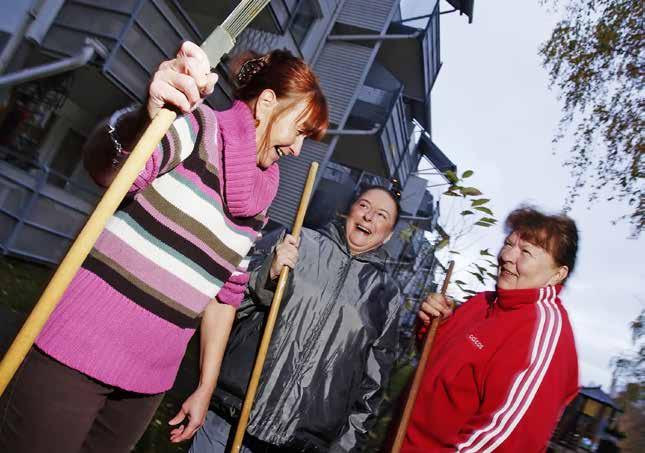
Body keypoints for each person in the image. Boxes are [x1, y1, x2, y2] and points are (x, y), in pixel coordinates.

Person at [0, 41, 327, 453]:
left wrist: (205, 387)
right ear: (265, 104)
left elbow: (227, 296)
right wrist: (144, 118)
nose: (297, 150)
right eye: (299, 131)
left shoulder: (259, 207)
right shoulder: (196, 128)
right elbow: (109, 169)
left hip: (146, 384)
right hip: (77, 350)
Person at [189, 186, 404, 452]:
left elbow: (371, 387)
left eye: (381, 215)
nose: (368, 216)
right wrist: (268, 274)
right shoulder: (297, 241)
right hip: (230, 415)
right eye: (363, 205)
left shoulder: (387, 296)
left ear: (389, 235)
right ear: (349, 211)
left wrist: (343, 449)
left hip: (298, 442)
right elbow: (231, 302)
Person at [403, 206, 580, 452]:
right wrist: (434, 324)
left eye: (526, 251)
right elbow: (436, 365)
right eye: (509, 244)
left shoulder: (543, 333)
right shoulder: (483, 302)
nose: (508, 256)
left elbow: (509, 438)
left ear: (557, 274)